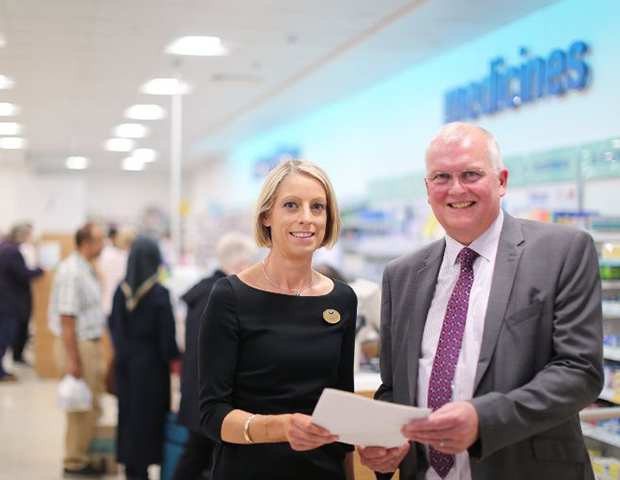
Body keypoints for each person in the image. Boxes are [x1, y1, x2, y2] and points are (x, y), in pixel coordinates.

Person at [358, 122, 603, 480]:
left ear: (501, 181)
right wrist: (385, 440)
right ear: (427, 189)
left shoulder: (562, 252)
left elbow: (580, 371)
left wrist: (483, 420)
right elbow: (395, 387)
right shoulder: (402, 274)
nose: (456, 189)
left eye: (470, 174)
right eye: (441, 177)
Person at [198, 159, 358, 480]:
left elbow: (342, 409)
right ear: (266, 216)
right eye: (291, 205)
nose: (306, 218)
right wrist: (279, 427)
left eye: (317, 207)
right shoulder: (230, 296)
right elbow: (212, 414)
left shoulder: (341, 299)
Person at [172, 232, 257, 480]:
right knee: (195, 457)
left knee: (199, 456)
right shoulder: (219, 296)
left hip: (199, 390)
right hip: (207, 395)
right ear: (241, 264)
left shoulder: (205, 291)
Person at [108, 235, 180, 480]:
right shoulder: (159, 294)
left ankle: (131, 469)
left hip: (125, 364)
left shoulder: (120, 291)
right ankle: (146, 465)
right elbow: (167, 336)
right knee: (149, 417)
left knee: (128, 415)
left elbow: (114, 327)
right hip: (151, 368)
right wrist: (173, 358)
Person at [48, 222, 107, 478]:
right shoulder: (72, 271)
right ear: (86, 243)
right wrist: (73, 360)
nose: (103, 245)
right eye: (99, 240)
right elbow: (66, 319)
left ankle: (82, 453)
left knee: (91, 403)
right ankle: (75, 461)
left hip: (89, 342)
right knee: (80, 407)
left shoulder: (86, 268)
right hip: (77, 344)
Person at [0, 223, 44, 379]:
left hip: (6, 300)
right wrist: (40, 270)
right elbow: (23, 274)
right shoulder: (12, 251)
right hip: (8, 301)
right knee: (4, 336)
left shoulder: (6, 247)